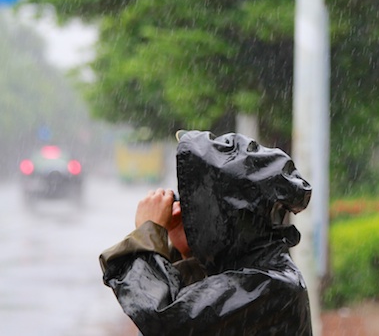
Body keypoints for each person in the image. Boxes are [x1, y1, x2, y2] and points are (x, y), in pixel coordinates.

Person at [99, 130, 313, 335]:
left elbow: (165, 322)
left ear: (222, 215)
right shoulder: (252, 269)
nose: (182, 207)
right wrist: (189, 252)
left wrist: (147, 233)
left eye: (194, 205)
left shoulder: (272, 285)